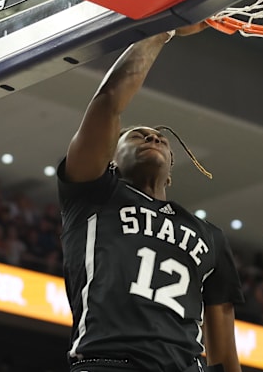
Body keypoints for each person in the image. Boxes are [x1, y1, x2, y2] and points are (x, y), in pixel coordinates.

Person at [56, 23, 245, 372]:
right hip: (106, 364)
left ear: (170, 172)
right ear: (111, 160)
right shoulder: (93, 194)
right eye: (138, 136)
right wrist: (163, 30)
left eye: (161, 139)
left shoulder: (211, 237)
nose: (153, 137)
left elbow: (223, 342)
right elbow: (109, 102)